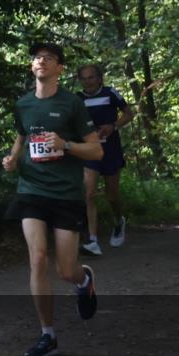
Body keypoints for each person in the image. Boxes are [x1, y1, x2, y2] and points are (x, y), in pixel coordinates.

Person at [2, 42, 102, 356]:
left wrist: (66, 145)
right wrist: (12, 158)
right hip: (31, 189)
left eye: (48, 58)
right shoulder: (23, 104)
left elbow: (96, 150)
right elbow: (22, 136)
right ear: (32, 66)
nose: (41, 61)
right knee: (38, 258)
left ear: (59, 68)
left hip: (66, 193)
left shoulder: (72, 104)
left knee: (66, 270)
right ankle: (48, 335)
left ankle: (83, 280)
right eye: (36, 57)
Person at [76, 64, 135, 255]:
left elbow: (129, 114)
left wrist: (113, 126)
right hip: (89, 150)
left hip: (111, 150)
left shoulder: (111, 93)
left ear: (99, 78)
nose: (88, 81)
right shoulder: (77, 99)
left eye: (91, 77)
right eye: (84, 78)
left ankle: (118, 221)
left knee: (112, 195)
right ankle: (93, 240)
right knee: (89, 194)